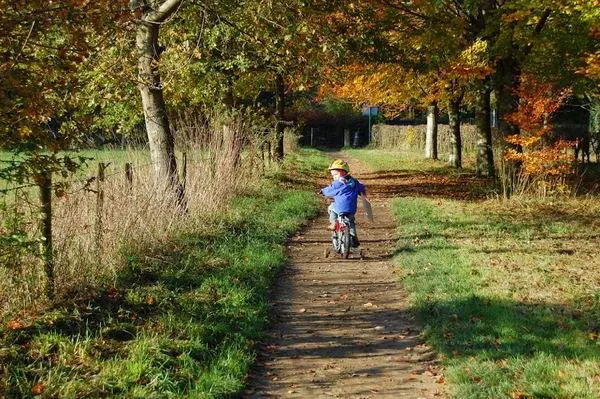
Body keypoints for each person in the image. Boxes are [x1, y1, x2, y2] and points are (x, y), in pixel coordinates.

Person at [320, 159, 367, 247]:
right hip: (351, 208)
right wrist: (363, 191)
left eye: (335, 174)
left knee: (331, 208)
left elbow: (330, 190)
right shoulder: (354, 182)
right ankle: (353, 238)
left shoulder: (338, 183)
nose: (334, 177)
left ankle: (333, 222)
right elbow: (362, 188)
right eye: (333, 175)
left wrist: (322, 191)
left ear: (343, 172)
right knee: (351, 222)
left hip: (339, 207)